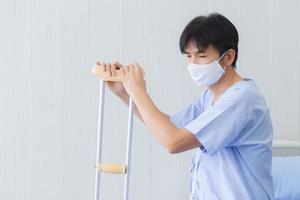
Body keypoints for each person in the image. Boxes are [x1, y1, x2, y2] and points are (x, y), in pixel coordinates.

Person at [94, 13, 274, 200]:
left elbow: (173, 142)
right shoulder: (209, 96)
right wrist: (124, 93)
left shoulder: (242, 100)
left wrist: (139, 91)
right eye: (189, 56)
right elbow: (167, 127)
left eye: (201, 55)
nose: (193, 64)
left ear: (228, 57)